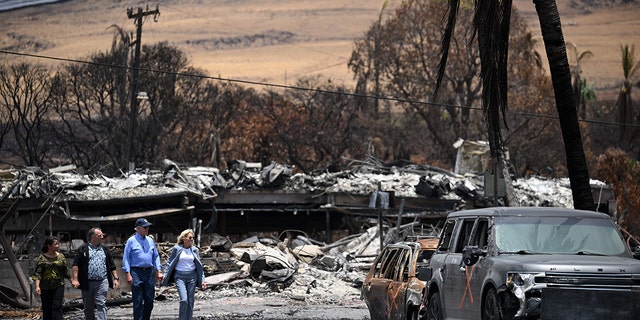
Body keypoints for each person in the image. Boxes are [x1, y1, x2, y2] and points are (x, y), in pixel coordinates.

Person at [71, 227, 120, 320]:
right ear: (93, 237)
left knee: (101, 304)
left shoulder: (105, 249)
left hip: (102, 281)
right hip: (87, 282)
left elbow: (112, 265)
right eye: (100, 235)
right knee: (88, 307)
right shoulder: (83, 249)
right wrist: (75, 279)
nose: (102, 237)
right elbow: (75, 264)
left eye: (102, 235)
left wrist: (116, 279)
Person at [122, 218, 165, 320]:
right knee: (137, 300)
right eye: (145, 227)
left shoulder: (150, 241)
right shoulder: (131, 241)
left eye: (148, 227)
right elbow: (126, 258)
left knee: (149, 300)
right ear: (138, 228)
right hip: (136, 271)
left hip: (149, 272)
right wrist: (128, 273)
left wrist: (158, 271)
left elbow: (155, 257)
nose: (147, 229)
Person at [161, 229, 207, 320]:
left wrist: (203, 280)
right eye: (190, 237)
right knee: (184, 300)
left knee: (190, 301)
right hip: (179, 276)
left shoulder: (194, 250)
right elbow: (170, 262)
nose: (192, 239)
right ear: (184, 238)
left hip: (192, 277)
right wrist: (165, 274)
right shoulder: (177, 249)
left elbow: (199, 267)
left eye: (193, 238)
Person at [32, 236, 72, 320]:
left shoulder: (61, 257)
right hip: (45, 287)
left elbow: (66, 272)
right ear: (49, 246)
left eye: (58, 244)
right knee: (47, 308)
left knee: (56, 306)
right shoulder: (42, 258)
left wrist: (72, 281)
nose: (57, 246)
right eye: (55, 244)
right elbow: (38, 273)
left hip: (58, 285)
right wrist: (37, 286)